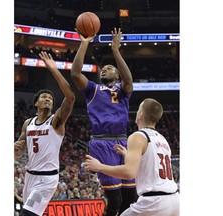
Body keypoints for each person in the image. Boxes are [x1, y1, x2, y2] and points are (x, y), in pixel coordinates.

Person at [71, 27, 137, 216]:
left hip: (124, 141)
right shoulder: (93, 89)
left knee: (130, 197)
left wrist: (116, 51)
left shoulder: (123, 89)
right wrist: (84, 43)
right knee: (114, 199)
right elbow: (75, 74)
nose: (104, 70)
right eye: (103, 69)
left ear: (116, 75)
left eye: (109, 69)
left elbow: (129, 79)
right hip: (102, 141)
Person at [84, 98, 180, 216]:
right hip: (175, 200)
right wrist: (127, 155)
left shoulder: (137, 136)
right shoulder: (162, 139)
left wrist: (99, 167)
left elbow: (129, 173)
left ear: (141, 115)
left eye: (139, 108)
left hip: (154, 202)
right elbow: (151, 163)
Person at [14, 51, 75, 216]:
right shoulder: (28, 123)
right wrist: (14, 149)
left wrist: (54, 70)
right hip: (30, 177)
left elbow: (70, 98)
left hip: (46, 180)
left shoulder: (55, 122)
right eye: (44, 97)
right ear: (36, 103)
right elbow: (18, 153)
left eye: (51, 98)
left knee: (27, 214)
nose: (48, 99)